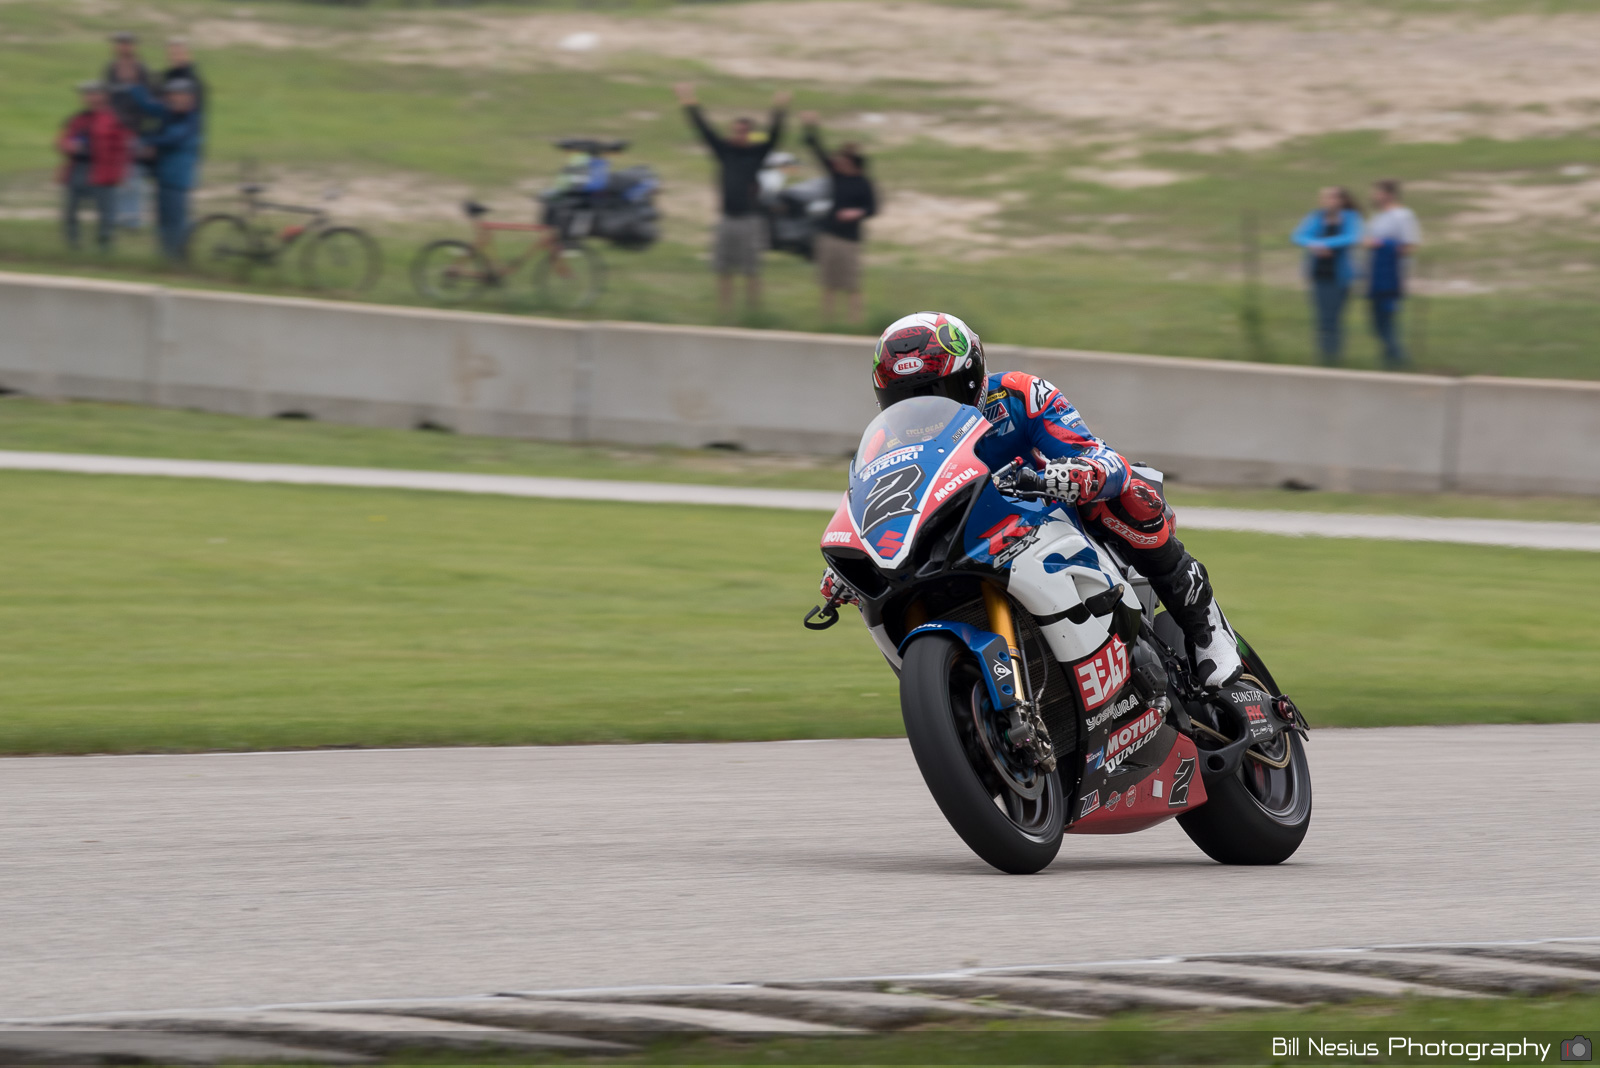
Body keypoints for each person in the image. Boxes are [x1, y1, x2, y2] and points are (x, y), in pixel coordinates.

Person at [820, 311, 1248, 694]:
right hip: (961, 544)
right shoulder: (886, 441)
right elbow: (884, 503)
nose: (923, 407)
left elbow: (1104, 459)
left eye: (937, 390)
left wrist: (1075, 474)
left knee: (1129, 492)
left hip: (1045, 521)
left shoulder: (1020, 394)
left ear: (972, 380)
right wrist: (857, 556)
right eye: (905, 399)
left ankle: (1204, 627)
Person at [673, 82, 790, 317]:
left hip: (749, 220)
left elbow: (775, 137)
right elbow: (704, 130)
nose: (739, 135)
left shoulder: (756, 153)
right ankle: (724, 312)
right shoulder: (724, 150)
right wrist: (689, 101)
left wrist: (779, 110)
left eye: (743, 131)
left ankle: (753, 313)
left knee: (751, 270)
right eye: (735, 131)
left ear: (749, 133)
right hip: (726, 218)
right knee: (723, 269)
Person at [800, 112, 876, 326]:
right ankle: (827, 321)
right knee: (829, 283)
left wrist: (856, 213)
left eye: (843, 160)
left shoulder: (863, 183)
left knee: (852, 285)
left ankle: (855, 321)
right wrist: (810, 128)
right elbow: (818, 152)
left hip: (850, 240)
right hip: (829, 236)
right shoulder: (837, 176)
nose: (838, 162)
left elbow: (873, 208)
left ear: (853, 163)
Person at [116, 79, 203, 261]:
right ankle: (166, 258)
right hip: (164, 178)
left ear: (190, 98)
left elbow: (174, 138)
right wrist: (134, 85)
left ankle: (177, 260)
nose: (173, 100)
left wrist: (147, 142)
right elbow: (147, 105)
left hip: (177, 180)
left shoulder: (191, 120)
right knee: (163, 221)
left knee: (175, 222)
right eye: (171, 96)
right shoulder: (170, 114)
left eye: (178, 95)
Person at [55, 81, 132, 253]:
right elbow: (61, 140)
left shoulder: (113, 119)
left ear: (104, 96)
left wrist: (120, 173)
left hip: (103, 172)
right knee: (70, 210)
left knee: (107, 214)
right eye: (87, 94)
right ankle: (73, 247)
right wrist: (68, 146)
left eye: (94, 93)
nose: (90, 97)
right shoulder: (77, 119)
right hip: (78, 168)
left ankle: (104, 250)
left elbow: (123, 148)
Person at [1291, 187, 1363, 365]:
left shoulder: (1350, 218)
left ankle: (1334, 358)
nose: (1328, 201)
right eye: (1325, 198)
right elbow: (1298, 236)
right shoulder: (1317, 217)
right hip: (1319, 276)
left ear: (1341, 200)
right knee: (1322, 319)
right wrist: (1316, 245)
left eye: (1332, 198)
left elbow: (1351, 237)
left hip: (1340, 277)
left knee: (1334, 319)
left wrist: (1325, 244)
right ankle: (1324, 358)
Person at [1364, 179, 1422, 369]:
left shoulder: (1403, 215)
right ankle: (1390, 358)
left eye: (1377, 192)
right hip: (1375, 275)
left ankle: (1398, 360)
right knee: (1376, 322)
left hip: (1392, 277)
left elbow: (1409, 246)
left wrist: (1382, 245)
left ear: (1388, 194)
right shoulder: (1378, 217)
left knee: (1388, 320)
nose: (1373, 196)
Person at [102, 31, 151, 230]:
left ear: (134, 46)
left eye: (127, 44)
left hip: (134, 132)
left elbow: (149, 102)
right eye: (120, 44)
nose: (124, 47)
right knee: (114, 175)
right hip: (113, 133)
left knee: (133, 177)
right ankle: (115, 216)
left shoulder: (142, 71)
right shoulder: (110, 70)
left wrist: (140, 127)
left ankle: (133, 220)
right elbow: (105, 99)